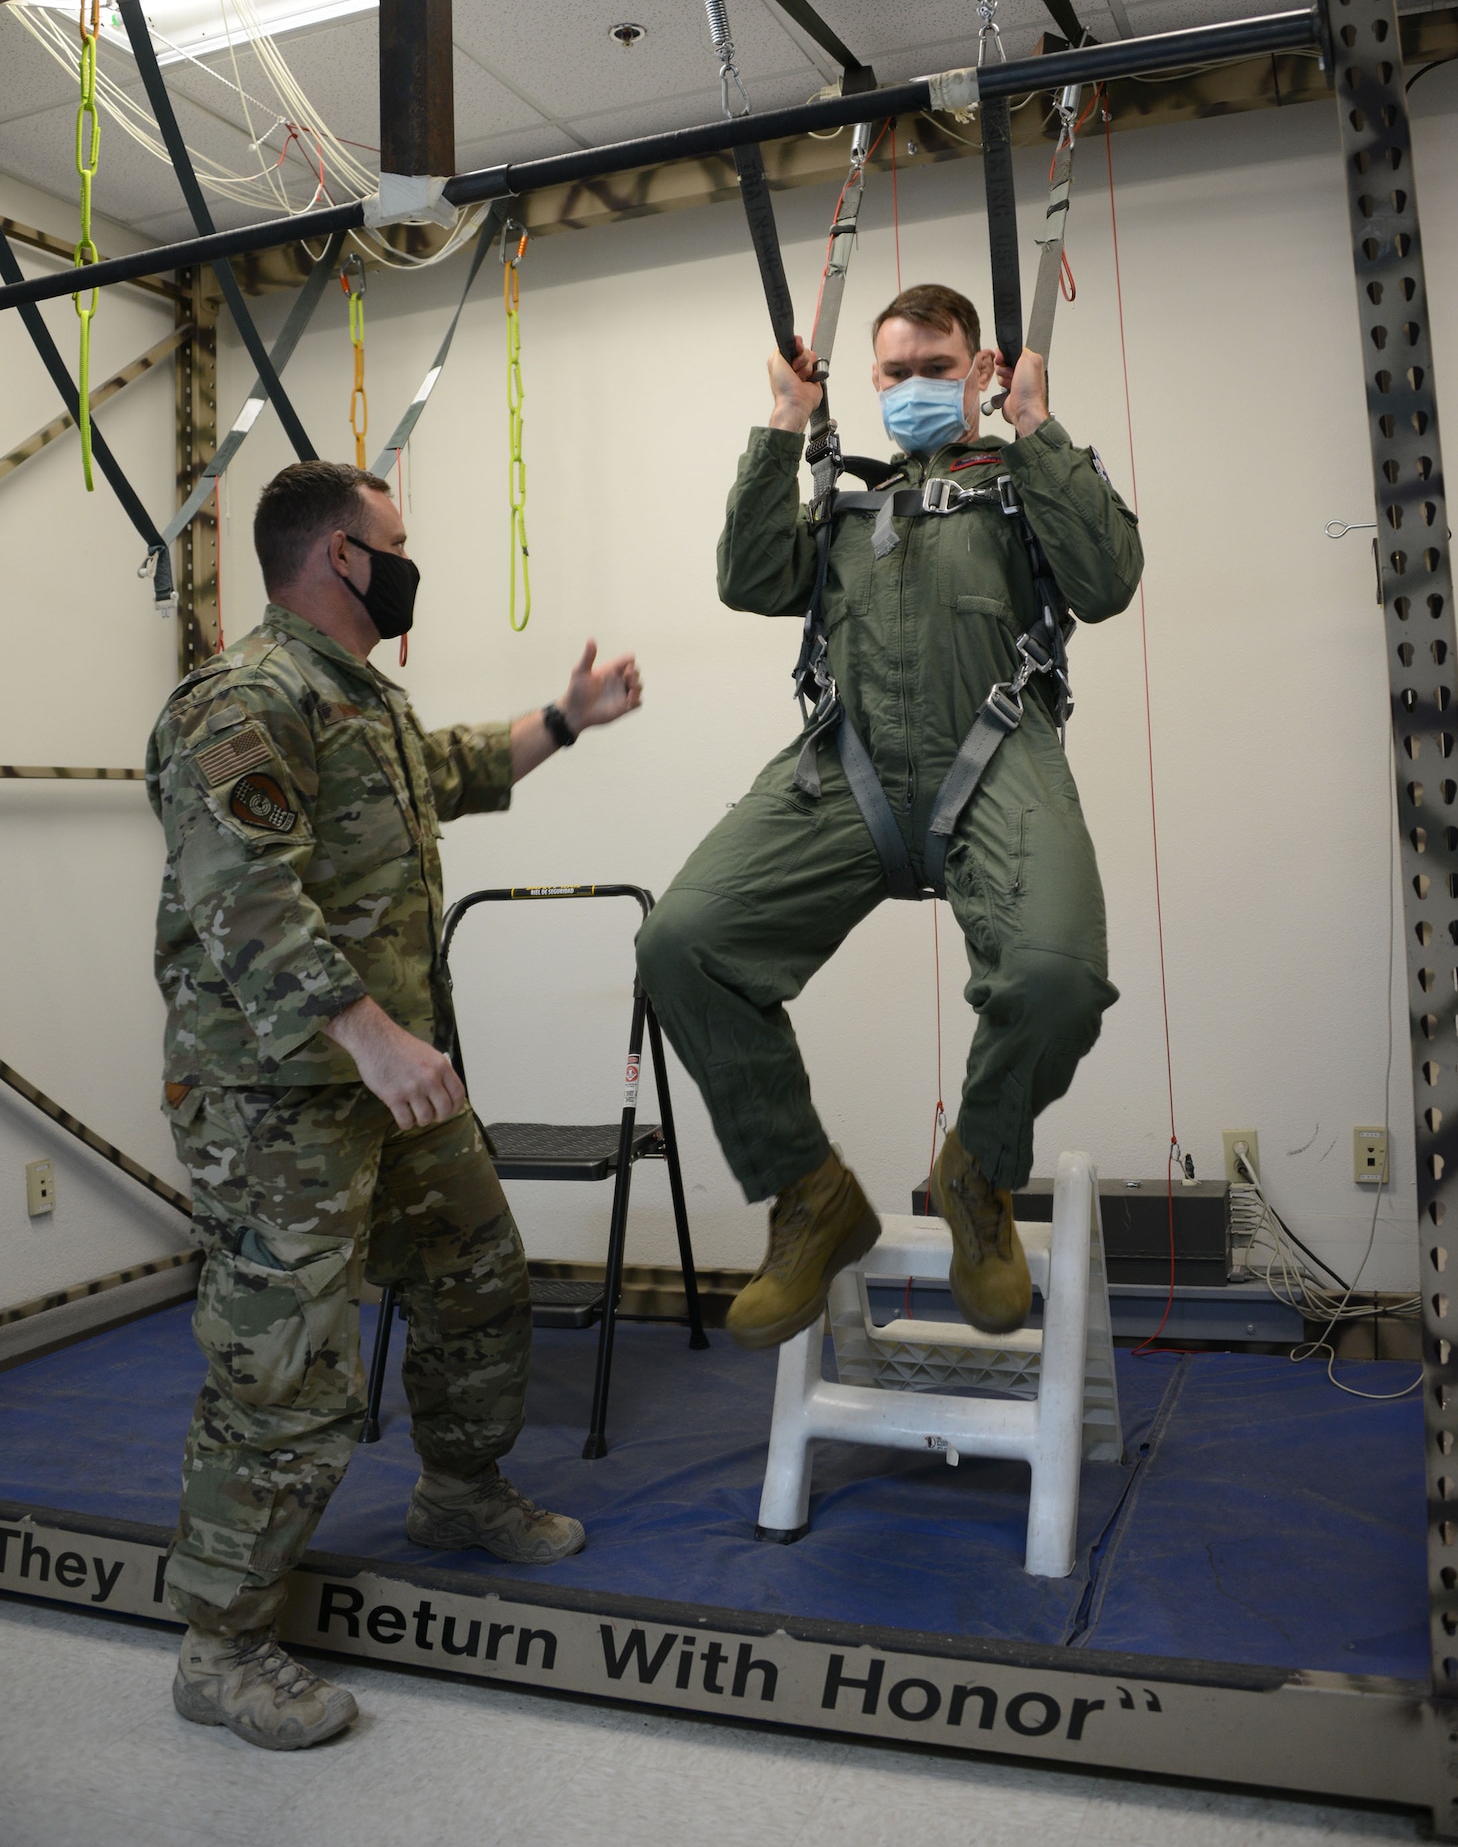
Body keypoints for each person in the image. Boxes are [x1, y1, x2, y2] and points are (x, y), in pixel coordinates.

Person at [146, 459, 642, 1750]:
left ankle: (459, 1490)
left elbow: (455, 770)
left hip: (382, 1081)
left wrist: (567, 719)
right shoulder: (240, 701)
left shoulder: (355, 702)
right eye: (397, 541)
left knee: (475, 1268)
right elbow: (243, 896)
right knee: (284, 1366)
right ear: (339, 560)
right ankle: (223, 1642)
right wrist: (371, 1042)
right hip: (280, 1096)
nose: (411, 558)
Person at [636, 282, 1141, 1354]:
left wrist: (1038, 426)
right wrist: (783, 424)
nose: (914, 386)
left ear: (979, 366)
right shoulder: (839, 500)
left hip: (994, 756)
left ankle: (979, 1169)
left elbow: (1108, 582)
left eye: (935, 365)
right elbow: (747, 579)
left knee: (1055, 976)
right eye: (896, 371)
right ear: (870, 379)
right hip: (848, 768)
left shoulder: (1021, 480)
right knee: (683, 941)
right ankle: (808, 1193)